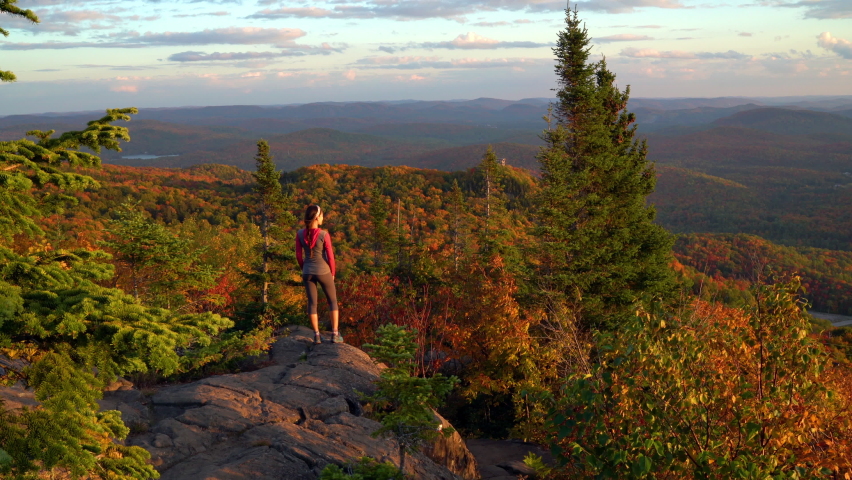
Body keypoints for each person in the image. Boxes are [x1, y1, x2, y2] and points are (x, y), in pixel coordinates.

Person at [296, 204, 343, 345]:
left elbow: (298, 255)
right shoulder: (323, 234)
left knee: (312, 304)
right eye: (322, 215)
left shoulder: (299, 234)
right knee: (332, 301)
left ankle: (316, 336)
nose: (323, 217)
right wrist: (332, 273)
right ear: (317, 217)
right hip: (323, 271)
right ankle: (335, 334)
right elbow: (330, 256)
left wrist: (304, 268)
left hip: (307, 272)